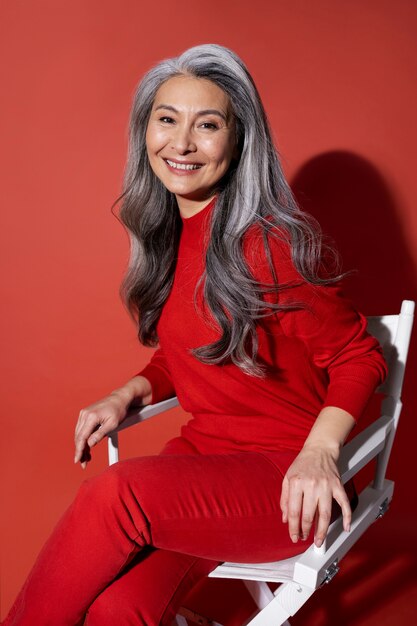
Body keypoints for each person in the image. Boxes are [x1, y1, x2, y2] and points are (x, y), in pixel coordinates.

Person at [3, 44, 387, 626]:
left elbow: (359, 355)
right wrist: (130, 391)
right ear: (145, 131)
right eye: (166, 119)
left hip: (286, 482)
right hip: (207, 467)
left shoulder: (266, 244)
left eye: (207, 125)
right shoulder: (172, 235)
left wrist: (320, 451)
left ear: (238, 142)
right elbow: (195, 349)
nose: (180, 144)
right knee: (118, 608)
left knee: (117, 494)